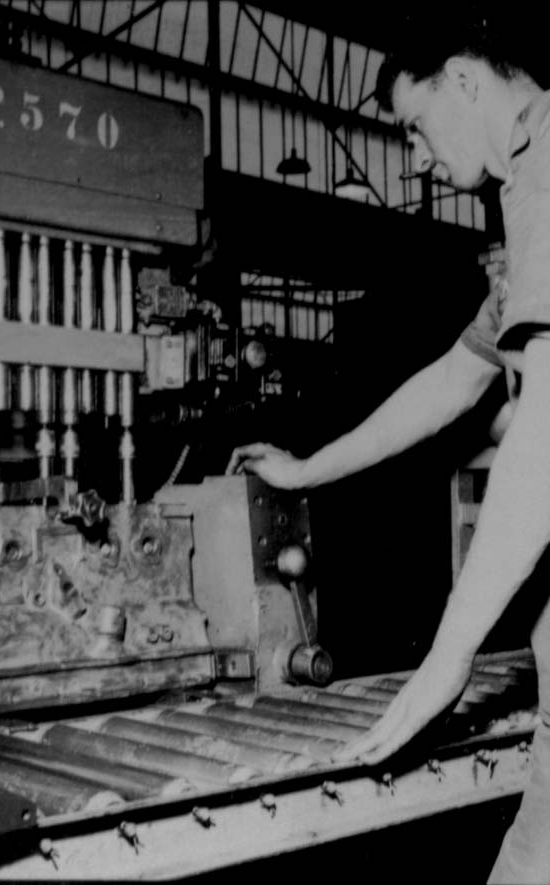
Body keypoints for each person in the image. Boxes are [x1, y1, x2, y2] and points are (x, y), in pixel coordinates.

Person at [227, 15, 550, 884]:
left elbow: (547, 432)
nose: (414, 158)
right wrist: (306, 469)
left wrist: (447, 661)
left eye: (415, 126)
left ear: (465, 81)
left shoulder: (548, 164)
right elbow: (450, 383)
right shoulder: (528, 192)